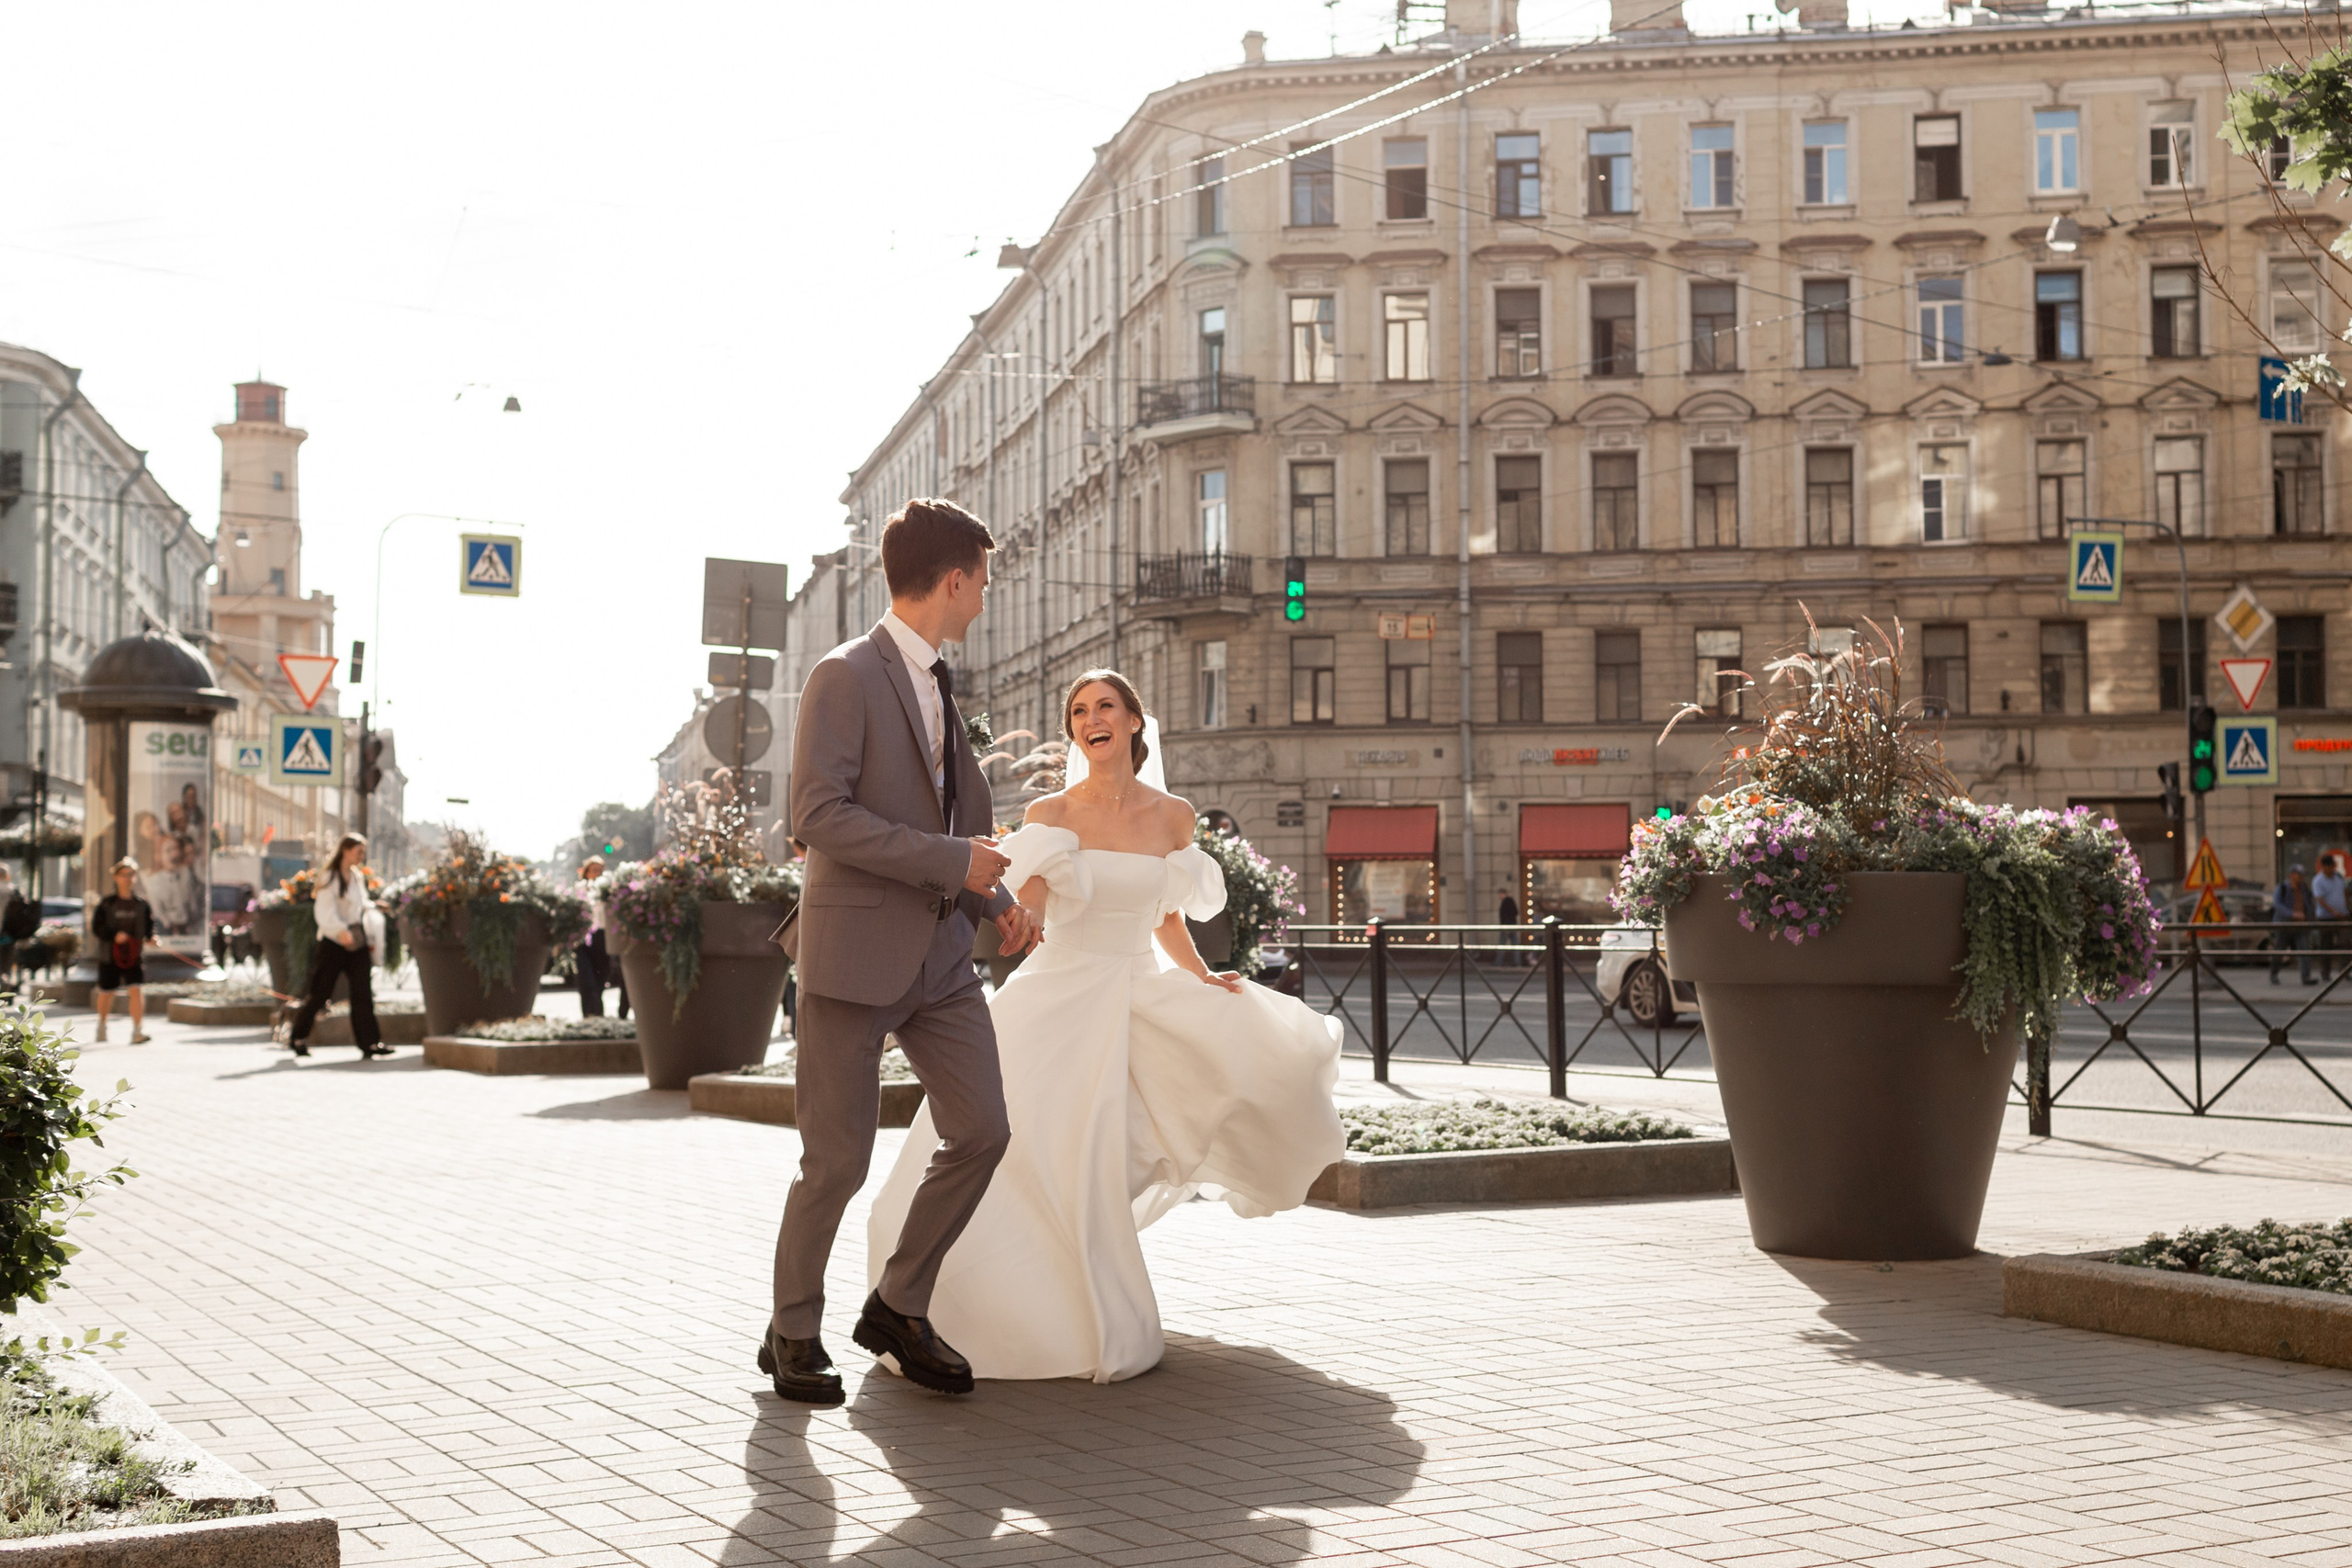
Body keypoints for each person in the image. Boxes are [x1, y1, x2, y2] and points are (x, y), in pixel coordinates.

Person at [865, 670, 1344, 1385]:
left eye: (1106, 707)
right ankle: (980, 1307)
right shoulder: (1051, 813)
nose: (1093, 719)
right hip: (1058, 998)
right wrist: (1007, 908)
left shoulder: (1174, 816)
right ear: (1075, 731)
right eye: (1081, 711)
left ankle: (1069, 1304)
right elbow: (1018, 909)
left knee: (1114, 1153)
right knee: (1027, 1150)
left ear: (1133, 722)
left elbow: (1168, 916)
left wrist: (1201, 978)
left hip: (1137, 995)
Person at [763, 497, 1039, 1406]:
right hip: (850, 956)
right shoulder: (844, 675)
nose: (985, 599)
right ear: (954, 578)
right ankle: (792, 1331)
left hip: (940, 961)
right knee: (835, 1161)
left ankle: (897, 1304)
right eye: (983, 582)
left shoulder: (941, 684)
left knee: (983, 1130)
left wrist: (994, 899)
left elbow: (955, 826)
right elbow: (818, 817)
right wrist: (952, 861)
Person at [287, 834, 390, 1060]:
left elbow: (358, 904)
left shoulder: (356, 876)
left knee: (362, 992)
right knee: (320, 993)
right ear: (345, 850)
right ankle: (298, 1037)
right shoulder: (330, 877)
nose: (362, 856)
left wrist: (374, 906)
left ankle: (370, 1043)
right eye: (358, 851)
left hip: (356, 939)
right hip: (334, 942)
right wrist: (340, 931)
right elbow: (324, 912)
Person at [91, 858, 156, 1044]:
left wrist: (152, 937)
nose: (127, 879)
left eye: (131, 875)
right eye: (123, 875)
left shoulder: (141, 904)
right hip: (109, 954)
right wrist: (114, 936)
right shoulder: (106, 903)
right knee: (106, 991)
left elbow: (150, 927)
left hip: (134, 955)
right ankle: (102, 1026)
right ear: (116, 877)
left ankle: (137, 1031)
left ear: (135, 878)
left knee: (136, 989)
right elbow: (97, 928)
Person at [572, 856, 609, 1018]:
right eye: (594, 870)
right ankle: (589, 1014)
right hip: (583, 938)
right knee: (586, 979)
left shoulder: (608, 890)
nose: (598, 873)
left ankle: (598, 1014)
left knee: (602, 978)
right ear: (586, 872)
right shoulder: (579, 889)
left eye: (601, 870)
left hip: (603, 937)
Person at [2272, 863, 2314, 986]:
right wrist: (2292, 914)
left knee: (2304, 950)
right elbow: (2277, 904)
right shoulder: (2282, 888)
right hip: (2284, 925)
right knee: (2279, 950)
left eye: (2302, 875)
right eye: (2298, 875)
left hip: (2301, 925)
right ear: (2291, 875)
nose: (2300, 877)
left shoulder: (2304, 889)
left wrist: (2310, 918)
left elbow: (2309, 905)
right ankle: (2274, 974)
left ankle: (2306, 977)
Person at [2313, 853, 2350, 981]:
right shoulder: (2318, 880)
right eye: (2330, 866)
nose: (2332, 868)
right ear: (2324, 867)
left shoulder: (2338, 878)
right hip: (2326, 918)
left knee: (2345, 944)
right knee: (2326, 946)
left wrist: (2345, 909)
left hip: (2342, 916)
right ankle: (2325, 973)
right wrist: (2333, 911)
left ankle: (2344, 972)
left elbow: (2344, 893)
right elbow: (2320, 900)